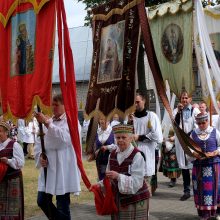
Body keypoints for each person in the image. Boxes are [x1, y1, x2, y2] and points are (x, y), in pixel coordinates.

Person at [34, 94, 81, 220]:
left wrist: (47, 123)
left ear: (64, 106)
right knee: (42, 200)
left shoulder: (72, 121)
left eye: (56, 105)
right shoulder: (48, 121)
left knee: (63, 205)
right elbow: (39, 142)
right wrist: (41, 157)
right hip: (48, 168)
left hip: (63, 169)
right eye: (52, 105)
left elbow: (64, 140)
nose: (53, 107)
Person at [92, 124, 150, 219]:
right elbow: (108, 178)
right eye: (118, 137)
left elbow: (137, 182)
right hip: (118, 200)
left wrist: (118, 176)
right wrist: (99, 185)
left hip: (136, 200)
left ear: (131, 138)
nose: (120, 140)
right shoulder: (112, 155)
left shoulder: (137, 156)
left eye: (124, 137)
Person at [190, 113, 220, 220]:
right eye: (199, 123)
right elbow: (189, 149)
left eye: (204, 122)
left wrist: (215, 152)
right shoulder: (193, 134)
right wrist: (194, 154)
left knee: (216, 189)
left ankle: (216, 212)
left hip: (213, 165)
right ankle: (204, 214)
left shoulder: (215, 132)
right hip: (199, 167)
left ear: (207, 121)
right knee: (201, 190)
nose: (202, 125)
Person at [132, 93, 163, 195]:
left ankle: (145, 210)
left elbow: (157, 136)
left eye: (138, 102)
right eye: (134, 103)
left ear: (144, 101)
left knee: (145, 188)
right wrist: (128, 123)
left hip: (147, 152)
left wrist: (140, 137)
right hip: (132, 154)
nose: (136, 105)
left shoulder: (151, 116)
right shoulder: (131, 118)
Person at [174, 90, 200, 201]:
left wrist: (189, 135)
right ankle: (186, 191)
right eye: (182, 98)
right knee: (184, 167)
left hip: (191, 142)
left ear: (190, 99)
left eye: (186, 98)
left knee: (195, 166)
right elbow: (175, 124)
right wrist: (179, 112)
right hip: (181, 143)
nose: (184, 100)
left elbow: (198, 126)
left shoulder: (195, 110)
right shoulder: (177, 111)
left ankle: (198, 190)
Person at [0, 121, 25, 219]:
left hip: (13, 180)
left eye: (0, 131)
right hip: (2, 180)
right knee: (2, 207)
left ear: (6, 133)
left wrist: (8, 161)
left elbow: (21, 163)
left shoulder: (14, 145)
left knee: (13, 208)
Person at [95, 115, 115, 180]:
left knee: (108, 178)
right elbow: (95, 145)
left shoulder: (112, 131)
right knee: (100, 177)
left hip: (110, 159)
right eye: (101, 119)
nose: (102, 121)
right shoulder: (98, 131)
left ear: (108, 121)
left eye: (104, 119)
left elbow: (117, 146)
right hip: (99, 159)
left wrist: (107, 147)